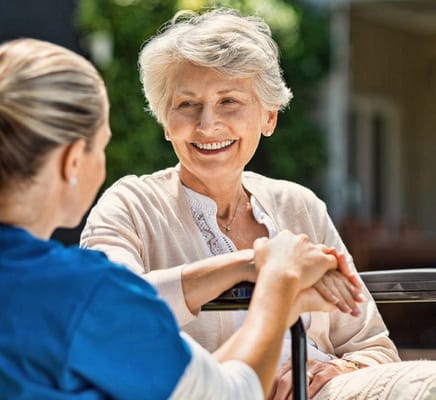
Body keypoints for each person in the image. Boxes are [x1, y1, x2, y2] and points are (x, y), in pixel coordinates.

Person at [0, 37, 349, 399]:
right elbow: (229, 395)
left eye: (228, 101)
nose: (208, 123)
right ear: (72, 161)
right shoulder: (86, 292)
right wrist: (278, 283)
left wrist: (246, 265)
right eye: (102, 145)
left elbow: (197, 388)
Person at [80, 8, 400, 399]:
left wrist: (334, 368)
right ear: (166, 122)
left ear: (269, 117)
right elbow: (110, 312)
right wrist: (252, 266)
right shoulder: (130, 205)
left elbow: (373, 346)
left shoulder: (299, 206)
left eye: (229, 101)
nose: (207, 124)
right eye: (186, 105)